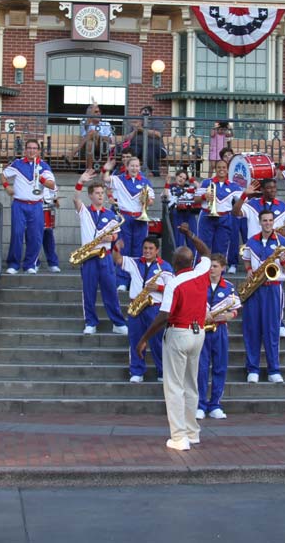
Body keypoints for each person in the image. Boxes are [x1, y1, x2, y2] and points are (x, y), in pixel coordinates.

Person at [137, 224, 212, 451]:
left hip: (178, 333)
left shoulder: (174, 283)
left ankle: (179, 437)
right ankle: (193, 432)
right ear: (191, 261)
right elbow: (206, 252)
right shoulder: (202, 272)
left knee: (174, 387)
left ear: (176, 263)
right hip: (198, 333)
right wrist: (190, 235)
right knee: (191, 385)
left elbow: (164, 315)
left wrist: (144, 338)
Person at [73, 169, 129, 336]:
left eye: (102, 193)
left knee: (110, 290)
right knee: (88, 291)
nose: (100, 196)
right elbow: (76, 198)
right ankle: (90, 322)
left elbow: (116, 235)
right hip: (88, 257)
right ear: (90, 195)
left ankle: (118, 323)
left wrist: (111, 238)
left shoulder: (111, 214)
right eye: (97, 193)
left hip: (105, 256)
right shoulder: (85, 211)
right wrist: (80, 181)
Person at [242, 209, 285, 384]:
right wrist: (249, 270)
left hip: (273, 288)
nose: (268, 223)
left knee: (272, 330)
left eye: (271, 220)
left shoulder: (283, 242)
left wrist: (284, 261)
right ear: (260, 222)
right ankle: (253, 369)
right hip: (255, 289)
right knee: (252, 329)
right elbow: (246, 259)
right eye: (265, 220)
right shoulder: (251, 241)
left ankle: (274, 370)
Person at [114, 235, 172, 383]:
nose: (147, 251)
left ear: (157, 250)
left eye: (151, 248)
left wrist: (158, 287)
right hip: (136, 307)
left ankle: (162, 372)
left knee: (158, 341)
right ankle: (136, 371)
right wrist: (116, 247)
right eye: (145, 248)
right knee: (135, 339)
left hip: (154, 308)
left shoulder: (164, 266)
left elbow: (173, 290)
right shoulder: (134, 262)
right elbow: (118, 259)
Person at [3, 139, 57, 275]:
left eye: (34, 148)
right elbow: (3, 176)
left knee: (35, 236)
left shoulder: (44, 166)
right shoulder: (17, 164)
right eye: (29, 148)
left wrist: (42, 179)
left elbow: (52, 185)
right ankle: (14, 264)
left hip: (36, 205)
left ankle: (30, 264)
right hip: (19, 204)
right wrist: (7, 187)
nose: (32, 150)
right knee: (17, 233)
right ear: (25, 150)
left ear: (38, 151)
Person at [196, 252, 239, 420]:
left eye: (215, 266)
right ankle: (200, 404)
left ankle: (215, 404)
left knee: (220, 367)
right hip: (202, 330)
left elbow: (235, 310)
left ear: (222, 268)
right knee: (201, 368)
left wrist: (228, 316)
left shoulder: (229, 287)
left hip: (220, 330)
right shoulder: (200, 285)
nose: (211, 269)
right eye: (209, 266)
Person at [104, 155, 155, 290]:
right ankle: (122, 281)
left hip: (140, 219)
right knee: (123, 249)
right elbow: (105, 180)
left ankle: (136, 281)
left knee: (139, 250)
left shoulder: (145, 181)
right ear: (126, 167)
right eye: (132, 166)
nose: (135, 168)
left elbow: (151, 200)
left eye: (137, 166)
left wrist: (147, 201)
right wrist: (106, 169)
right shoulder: (119, 179)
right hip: (125, 218)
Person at [196, 159, 242, 258]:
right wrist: (204, 197)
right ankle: (201, 270)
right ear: (215, 169)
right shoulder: (206, 182)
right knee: (203, 246)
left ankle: (219, 272)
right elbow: (195, 199)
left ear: (228, 169)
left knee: (221, 247)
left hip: (224, 218)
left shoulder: (234, 186)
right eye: (219, 167)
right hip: (206, 216)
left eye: (224, 167)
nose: (221, 169)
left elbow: (242, 201)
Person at [122, 106, 165, 176]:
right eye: (142, 115)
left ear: (151, 115)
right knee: (131, 151)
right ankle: (128, 174)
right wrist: (135, 130)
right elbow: (126, 138)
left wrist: (142, 129)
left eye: (146, 115)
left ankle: (156, 175)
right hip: (138, 147)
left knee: (149, 151)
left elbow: (158, 134)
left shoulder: (156, 122)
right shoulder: (135, 125)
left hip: (156, 148)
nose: (144, 117)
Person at [165, 169, 200, 252]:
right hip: (177, 213)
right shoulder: (171, 187)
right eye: (180, 176)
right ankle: (178, 259)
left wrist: (192, 179)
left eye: (184, 178)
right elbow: (166, 197)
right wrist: (167, 183)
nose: (181, 179)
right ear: (176, 176)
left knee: (192, 237)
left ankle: (193, 260)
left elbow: (199, 187)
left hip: (189, 213)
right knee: (178, 239)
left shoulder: (189, 187)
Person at [73, 103, 115, 171]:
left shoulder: (106, 124)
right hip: (86, 148)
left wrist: (97, 136)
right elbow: (87, 126)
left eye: (99, 111)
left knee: (92, 133)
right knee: (90, 142)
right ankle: (89, 169)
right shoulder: (84, 122)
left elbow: (110, 140)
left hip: (102, 148)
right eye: (95, 112)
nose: (98, 113)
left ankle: (73, 153)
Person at [41, 178, 61, 273]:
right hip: (34, 208)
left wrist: (56, 201)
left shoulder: (50, 179)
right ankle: (33, 263)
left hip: (47, 209)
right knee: (33, 238)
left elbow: (55, 199)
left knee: (49, 238)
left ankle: (53, 263)